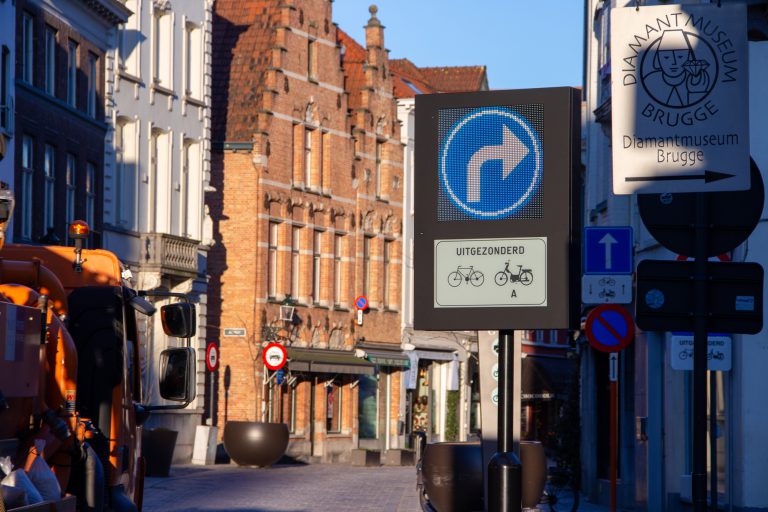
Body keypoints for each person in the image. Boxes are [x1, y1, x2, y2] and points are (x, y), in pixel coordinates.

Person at [642, 29, 711, 107]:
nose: (674, 62)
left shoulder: (697, 81)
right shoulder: (650, 80)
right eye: (666, 57)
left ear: (689, 57)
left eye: (680, 57)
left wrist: (697, 92)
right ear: (658, 59)